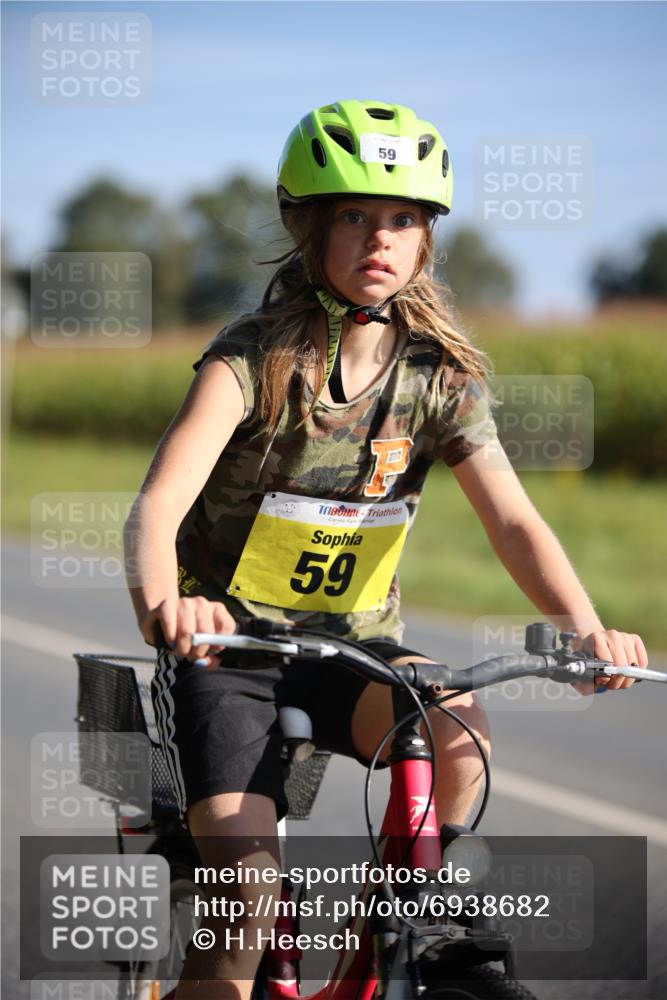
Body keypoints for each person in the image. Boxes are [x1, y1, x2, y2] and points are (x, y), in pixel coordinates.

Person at [124, 99, 648, 999]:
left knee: (455, 734)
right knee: (242, 919)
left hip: (356, 647)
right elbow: (156, 507)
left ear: (425, 239)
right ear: (308, 227)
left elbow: (515, 522)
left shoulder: (438, 378)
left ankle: (391, 938)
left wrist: (587, 627)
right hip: (233, 654)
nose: (380, 238)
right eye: (354, 216)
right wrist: (169, 608)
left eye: (402, 219)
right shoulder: (247, 360)